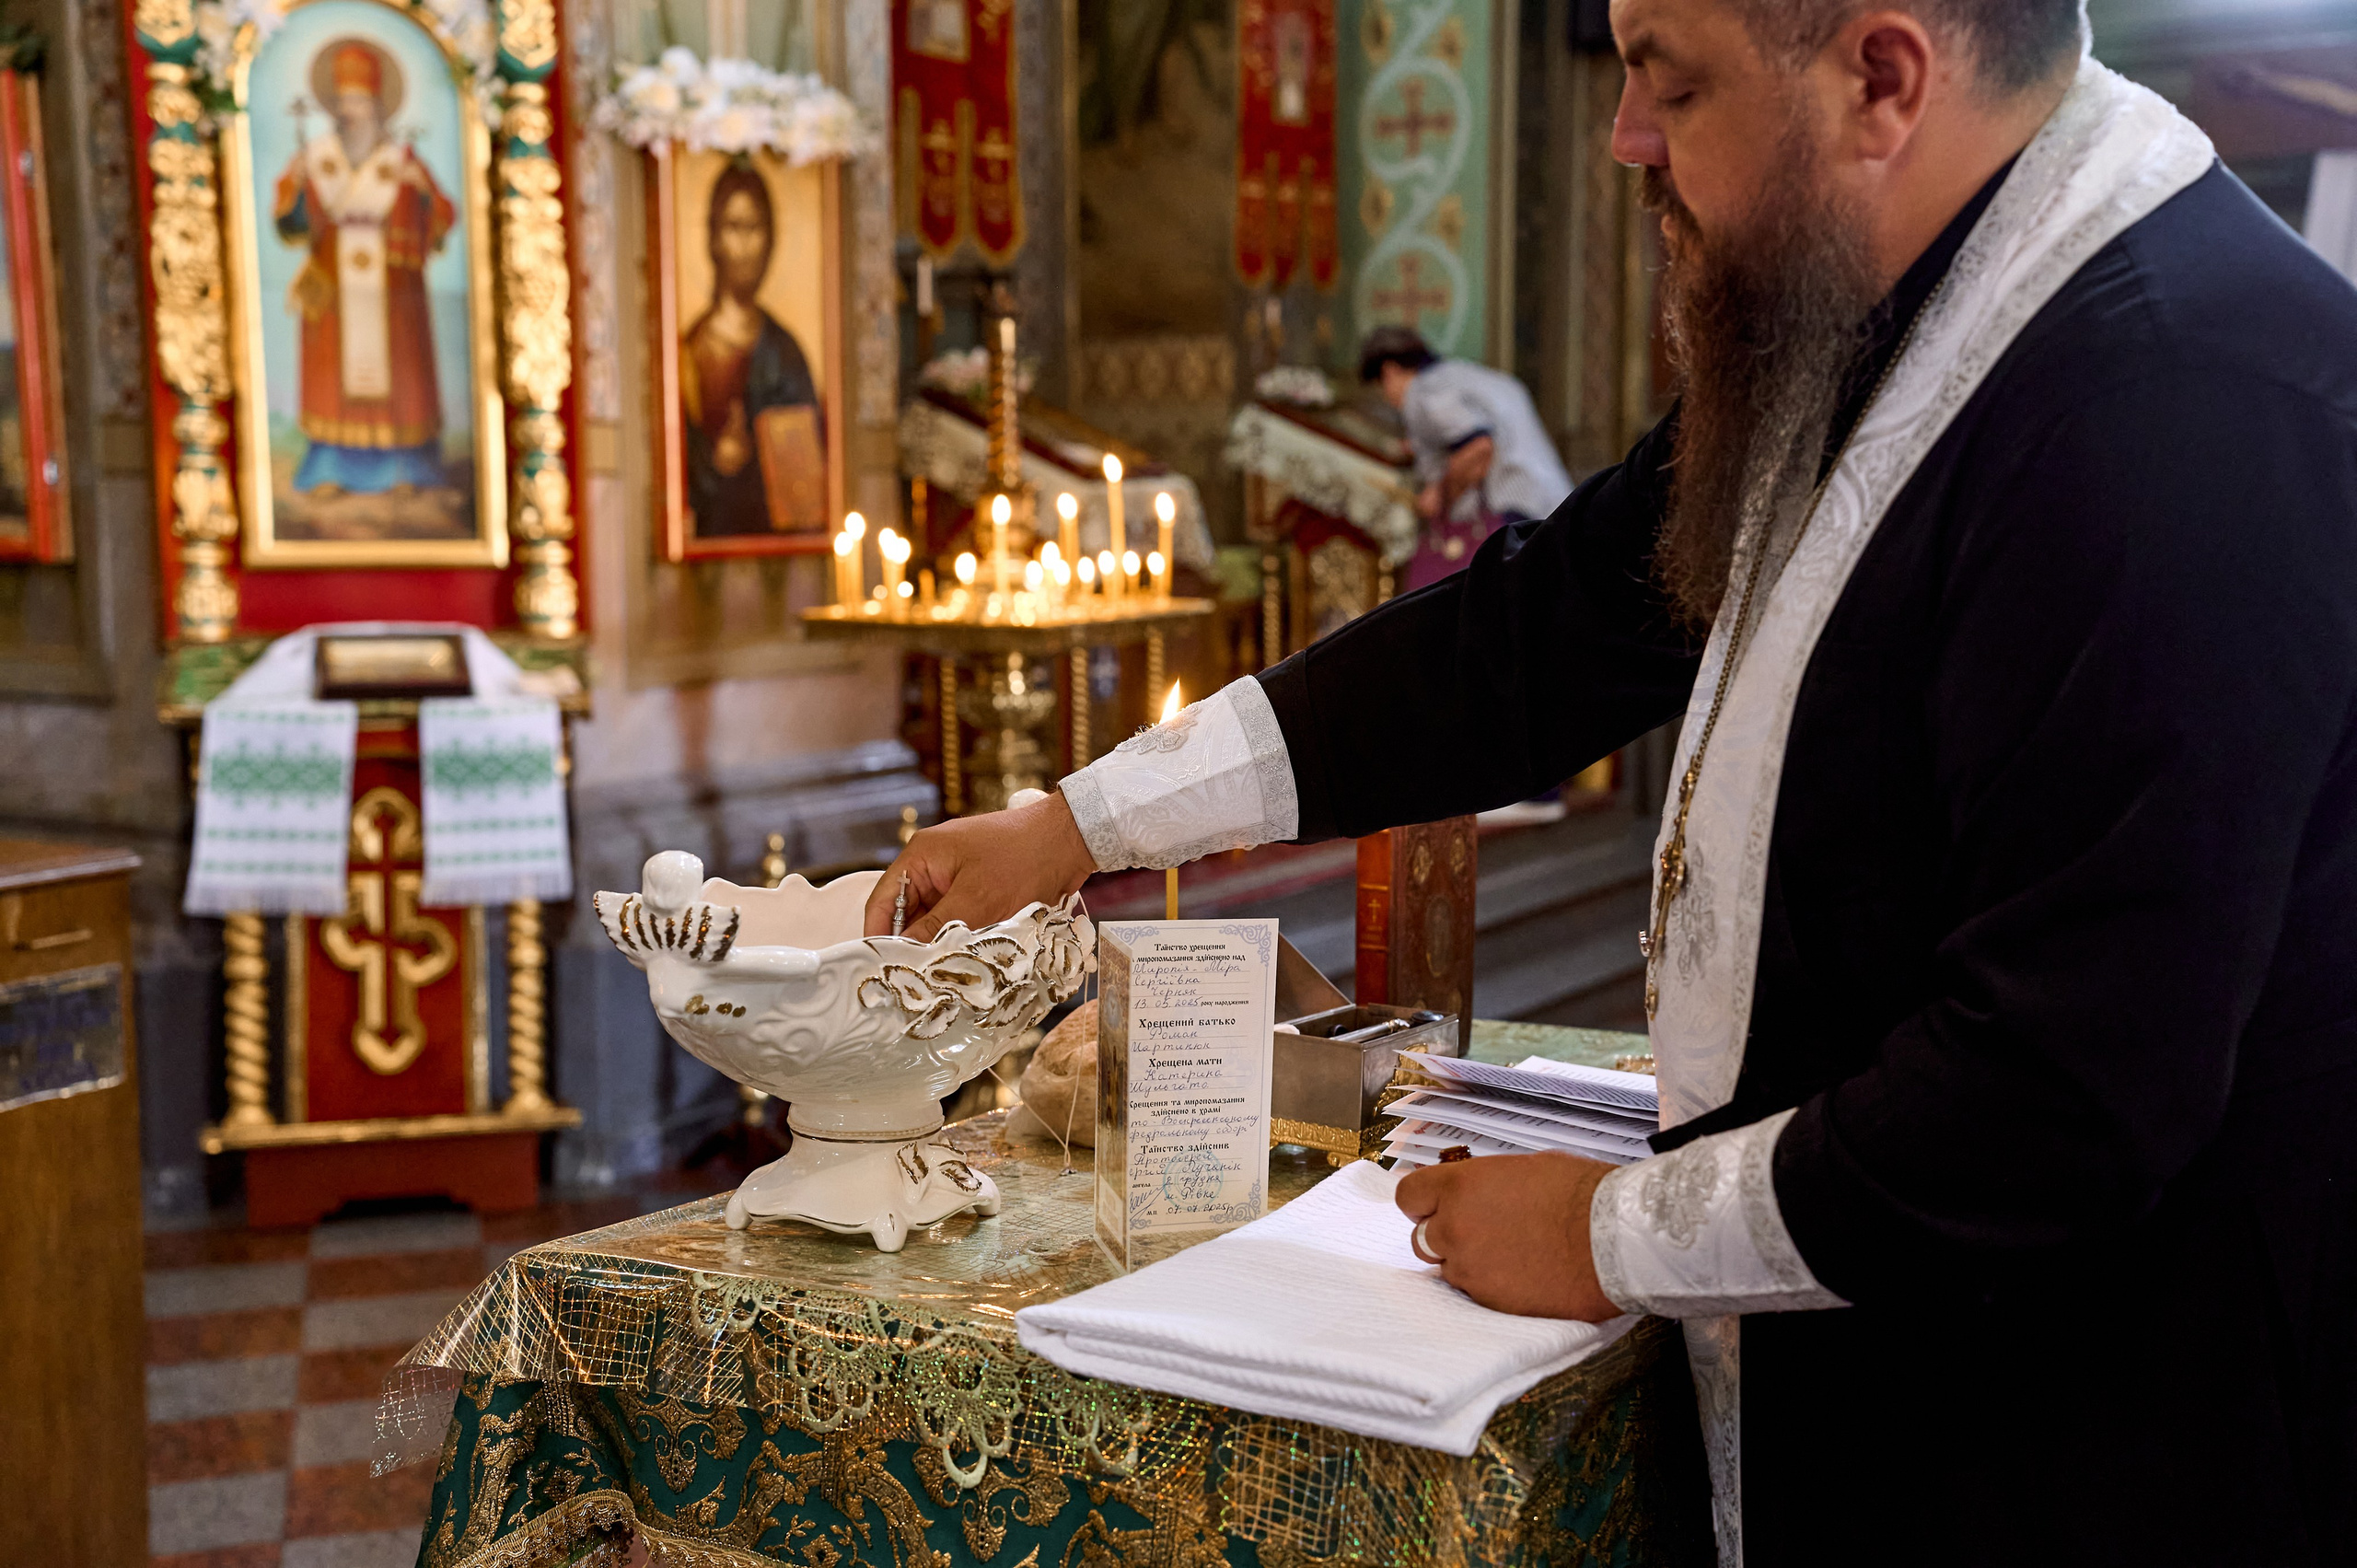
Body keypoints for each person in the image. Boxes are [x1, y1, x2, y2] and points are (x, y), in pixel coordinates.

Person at [868, 1, 2357, 1562]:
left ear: (1882, 78)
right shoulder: (1890, 290)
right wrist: (1075, 823)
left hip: (2102, 1427)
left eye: (1671, 79)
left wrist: (1605, 1233)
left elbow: (2058, 1099)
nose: (1624, 134)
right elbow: (1536, 636)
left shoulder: (2181, 413)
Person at [274, 41, 455, 497]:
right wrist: (295, 193)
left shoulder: (402, 160)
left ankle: (403, 470)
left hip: (393, 288)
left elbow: (442, 216)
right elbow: (293, 226)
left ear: (378, 106)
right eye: (344, 102)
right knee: (333, 373)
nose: (351, 111)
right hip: (333, 279)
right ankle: (328, 469)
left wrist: (424, 194)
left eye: (359, 101)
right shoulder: (316, 159)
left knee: (398, 371)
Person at [1361, 325, 1573, 592]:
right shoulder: (1462, 375)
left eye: (1382, 386)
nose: (1387, 397)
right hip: (1550, 504)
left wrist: (1440, 492)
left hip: (1514, 510)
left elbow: (1479, 447)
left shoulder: (1422, 391)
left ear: (1390, 371)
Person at [681, 161, 823, 537]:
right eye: (733, 227)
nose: (744, 245)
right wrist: (719, 466)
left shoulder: (786, 349)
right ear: (713, 238)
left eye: (755, 227)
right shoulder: (690, 355)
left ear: (772, 237)